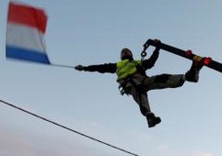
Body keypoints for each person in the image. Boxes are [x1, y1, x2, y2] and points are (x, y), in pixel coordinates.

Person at [75, 40, 204, 128]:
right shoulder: (117, 65)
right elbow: (101, 67)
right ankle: (149, 116)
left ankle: (188, 76)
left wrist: (157, 48)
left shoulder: (137, 63)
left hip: (142, 80)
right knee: (140, 94)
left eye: (127, 51)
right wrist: (85, 68)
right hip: (130, 83)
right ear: (121, 56)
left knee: (162, 78)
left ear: (131, 54)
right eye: (123, 52)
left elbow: (150, 63)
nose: (125, 52)